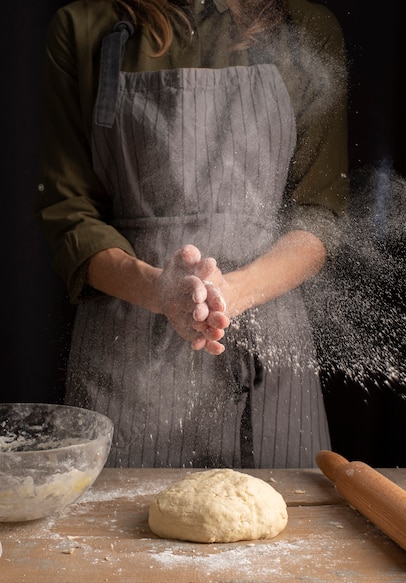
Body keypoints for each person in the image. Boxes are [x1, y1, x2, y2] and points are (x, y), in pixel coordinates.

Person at [35, 0, 349, 468]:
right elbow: (70, 213)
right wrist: (159, 290)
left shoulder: (304, 26)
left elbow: (318, 214)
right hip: (130, 344)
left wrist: (235, 291)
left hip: (268, 337)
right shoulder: (87, 27)